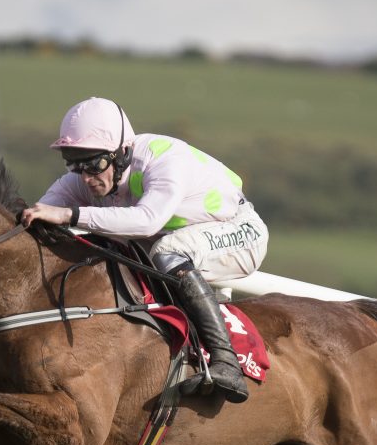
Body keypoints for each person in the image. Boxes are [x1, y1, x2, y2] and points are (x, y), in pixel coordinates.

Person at [21, 97, 269, 403]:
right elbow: (42, 212)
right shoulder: (87, 177)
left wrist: (71, 215)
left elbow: (147, 222)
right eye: (75, 165)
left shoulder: (163, 161)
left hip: (241, 232)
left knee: (167, 251)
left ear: (122, 152)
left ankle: (225, 361)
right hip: (180, 237)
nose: (86, 177)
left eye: (95, 164)